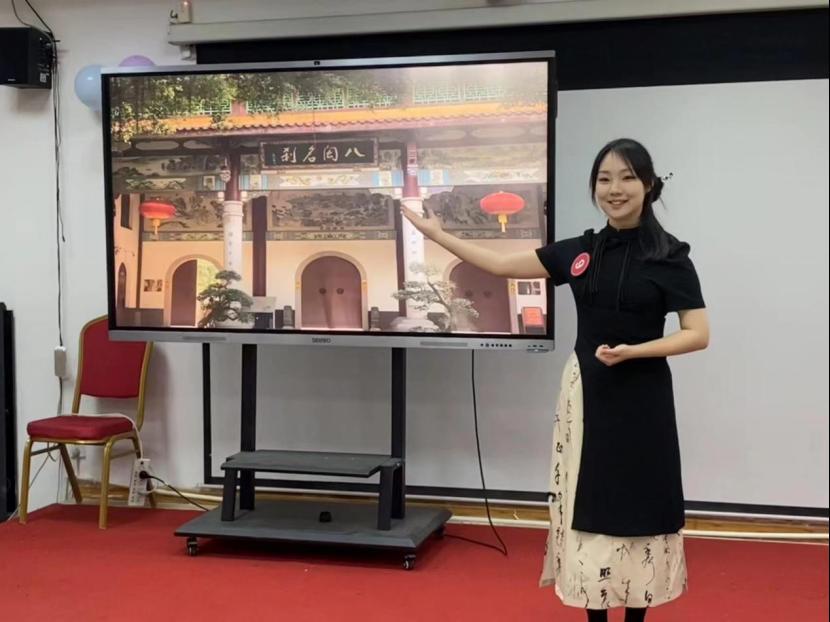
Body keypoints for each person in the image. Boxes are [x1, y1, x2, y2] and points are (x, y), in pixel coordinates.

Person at [401, 138, 709, 622]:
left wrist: (635, 352)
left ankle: (636, 615)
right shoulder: (581, 251)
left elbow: (697, 334)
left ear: (648, 185)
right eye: (604, 179)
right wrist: (438, 234)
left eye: (627, 177)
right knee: (585, 499)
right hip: (586, 393)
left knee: (642, 499)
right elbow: (502, 265)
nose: (614, 189)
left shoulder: (670, 256)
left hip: (644, 398)